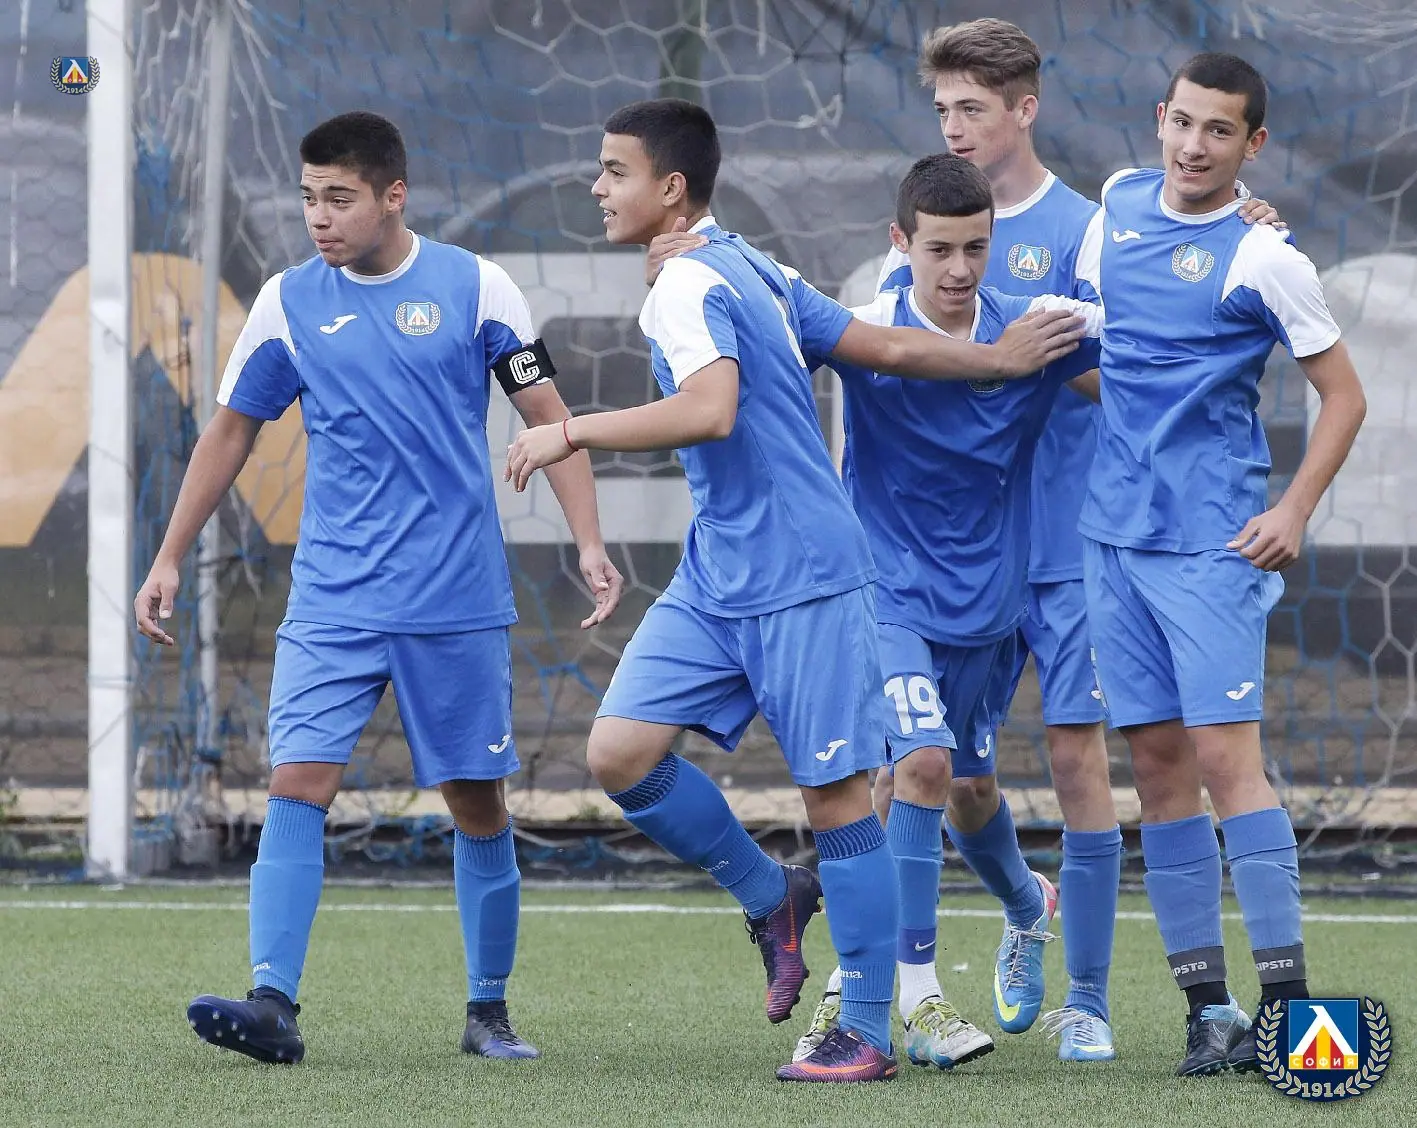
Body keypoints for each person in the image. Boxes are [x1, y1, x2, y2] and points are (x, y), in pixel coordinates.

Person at [504, 98, 1087, 1083]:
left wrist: (568, 430)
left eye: (613, 170)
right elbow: (884, 345)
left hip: (804, 574)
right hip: (720, 570)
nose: (597, 188)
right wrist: (990, 358)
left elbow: (710, 408)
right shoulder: (747, 263)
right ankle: (772, 895)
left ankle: (864, 1029)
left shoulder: (695, 279)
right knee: (618, 752)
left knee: (840, 800)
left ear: (670, 188)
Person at [134, 110, 624, 1065]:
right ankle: (272, 1002)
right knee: (295, 784)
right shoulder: (286, 303)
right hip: (333, 599)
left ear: (394, 196)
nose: (318, 217)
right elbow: (229, 433)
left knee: (476, 803)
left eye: (339, 199)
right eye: (308, 198)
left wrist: (590, 542)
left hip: (454, 600)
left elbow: (549, 417)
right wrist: (167, 556)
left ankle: (488, 1012)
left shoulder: (477, 287)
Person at [1081, 52, 1365, 1077]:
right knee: (1156, 768)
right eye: (1183, 123)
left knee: (1223, 763)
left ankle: (1290, 1014)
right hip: (1110, 540)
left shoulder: (1264, 256)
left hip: (1211, 543)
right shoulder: (1114, 204)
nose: (1193, 146)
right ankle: (1209, 1014)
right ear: (1159, 117)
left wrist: (1291, 508)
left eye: (1219, 131)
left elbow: (1345, 397)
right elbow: (1099, 354)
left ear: (1252, 146)